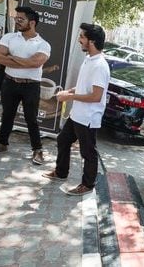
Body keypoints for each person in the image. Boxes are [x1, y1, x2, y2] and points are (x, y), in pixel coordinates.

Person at [42, 23, 110, 196]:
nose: (79, 40)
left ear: (92, 41)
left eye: (82, 37)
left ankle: (87, 184)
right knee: (63, 140)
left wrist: (69, 97)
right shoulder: (89, 59)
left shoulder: (100, 66)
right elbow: (83, 87)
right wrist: (69, 91)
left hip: (88, 117)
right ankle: (61, 172)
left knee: (88, 153)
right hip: (77, 115)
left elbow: (95, 96)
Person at [0, 7, 51, 164]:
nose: (17, 21)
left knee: (31, 118)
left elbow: (35, 63)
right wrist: (25, 62)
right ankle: (1, 144)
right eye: (16, 18)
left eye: (21, 19)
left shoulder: (43, 44)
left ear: (32, 23)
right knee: (7, 115)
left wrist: (11, 58)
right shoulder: (9, 37)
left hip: (31, 86)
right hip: (10, 82)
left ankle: (37, 150)